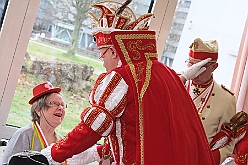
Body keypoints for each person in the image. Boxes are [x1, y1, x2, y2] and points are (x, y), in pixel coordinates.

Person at [41, 0, 215, 164]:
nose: (102, 61)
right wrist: (94, 153)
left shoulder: (123, 76)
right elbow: (137, 132)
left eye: (102, 53)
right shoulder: (162, 70)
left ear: (114, 52)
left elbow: (93, 128)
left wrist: (51, 154)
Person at [180, 38, 237, 164]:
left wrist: (208, 160)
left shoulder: (226, 99)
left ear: (214, 67)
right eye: (191, 65)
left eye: (201, 67)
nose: (195, 73)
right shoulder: (176, 84)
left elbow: (227, 140)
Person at [1, 81, 66, 165]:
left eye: (62, 105)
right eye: (54, 103)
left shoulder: (62, 141)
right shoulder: (23, 135)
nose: (60, 108)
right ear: (38, 110)